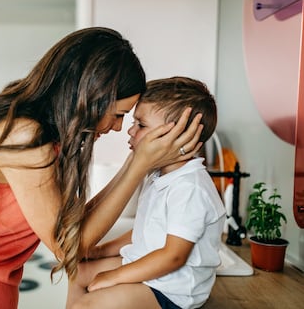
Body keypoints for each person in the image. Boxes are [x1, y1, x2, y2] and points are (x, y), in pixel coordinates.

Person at [0, 28, 202, 309]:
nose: (119, 127)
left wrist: (138, 161)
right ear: (90, 97)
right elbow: (71, 246)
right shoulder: (24, 136)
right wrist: (140, 163)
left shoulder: (45, 135)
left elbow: (73, 228)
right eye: (118, 114)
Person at [66, 76, 226, 309]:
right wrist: (100, 251)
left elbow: (174, 256)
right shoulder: (159, 175)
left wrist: (114, 276)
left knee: (89, 304)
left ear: (180, 134)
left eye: (141, 125)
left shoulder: (189, 187)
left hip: (173, 289)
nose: (130, 130)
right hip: (150, 270)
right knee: (76, 272)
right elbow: (147, 230)